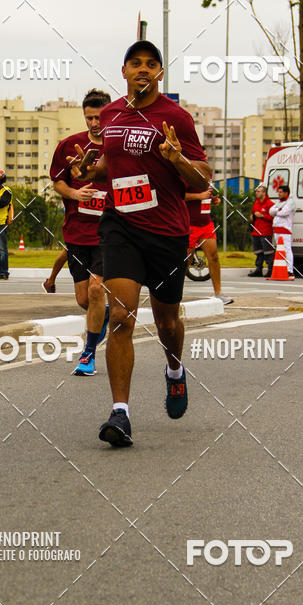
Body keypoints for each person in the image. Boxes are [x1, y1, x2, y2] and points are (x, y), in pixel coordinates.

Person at [69, 40, 211, 447]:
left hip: (166, 231)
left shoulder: (176, 118)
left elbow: (202, 178)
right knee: (121, 316)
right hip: (121, 228)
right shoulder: (112, 113)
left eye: (152, 64)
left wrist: (177, 159)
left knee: (167, 321)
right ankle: (121, 413)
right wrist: (91, 171)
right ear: (125, 71)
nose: (143, 69)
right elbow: (114, 166)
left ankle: (174, 370)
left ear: (160, 73)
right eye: (136, 63)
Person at [50, 89, 111, 375]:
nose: (95, 123)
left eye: (99, 117)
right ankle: (103, 316)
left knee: (97, 289)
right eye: (90, 118)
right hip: (77, 233)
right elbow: (58, 183)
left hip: (109, 232)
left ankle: (88, 354)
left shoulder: (118, 147)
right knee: (85, 299)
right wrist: (75, 194)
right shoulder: (68, 146)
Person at [184, 184, 233, 303]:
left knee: (214, 257)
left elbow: (204, 196)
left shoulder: (207, 174)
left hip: (206, 223)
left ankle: (218, 293)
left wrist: (212, 200)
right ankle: (174, 294)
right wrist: (199, 196)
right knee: (186, 261)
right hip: (189, 224)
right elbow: (179, 195)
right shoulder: (188, 172)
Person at [268, 185, 296, 279]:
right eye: (278, 192)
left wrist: (277, 211)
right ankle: (281, 268)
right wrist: (277, 210)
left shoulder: (290, 202)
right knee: (279, 250)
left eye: (280, 192)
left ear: (286, 193)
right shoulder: (279, 202)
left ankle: (289, 270)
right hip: (277, 229)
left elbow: (284, 212)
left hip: (285, 229)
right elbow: (271, 211)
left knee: (287, 250)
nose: (278, 194)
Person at [248, 184, 274, 277]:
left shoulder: (270, 204)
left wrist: (263, 216)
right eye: (256, 191)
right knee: (258, 252)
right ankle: (259, 269)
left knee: (267, 252)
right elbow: (254, 213)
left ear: (264, 193)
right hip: (256, 231)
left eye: (258, 191)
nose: (256, 193)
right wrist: (253, 216)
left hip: (265, 231)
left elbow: (273, 217)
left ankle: (270, 269)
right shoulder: (256, 203)